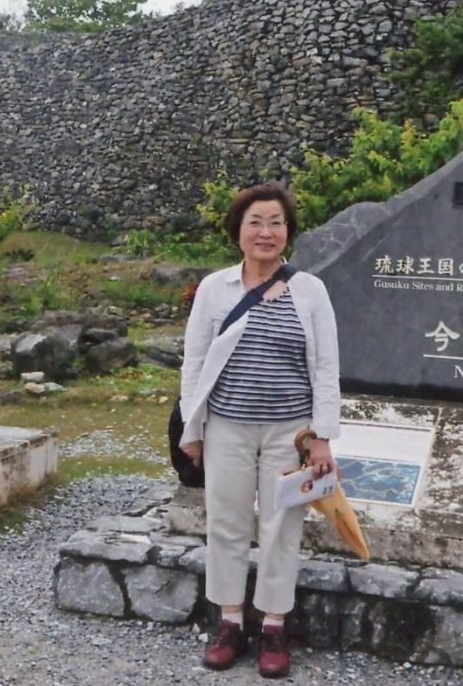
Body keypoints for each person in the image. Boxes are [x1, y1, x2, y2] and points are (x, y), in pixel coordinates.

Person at [178, 182, 341, 678]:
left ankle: (273, 626)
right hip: (227, 426)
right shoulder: (215, 288)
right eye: (255, 222)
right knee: (225, 522)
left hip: (289, 431)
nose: (265, 232)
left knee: (280, 527)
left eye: (276, 222)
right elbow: (194, 362)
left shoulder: (310, 291)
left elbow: (326, 367)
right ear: (238, 231)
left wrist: (322, 436)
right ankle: (229, 622)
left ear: (288, 232)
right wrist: (193, 430)